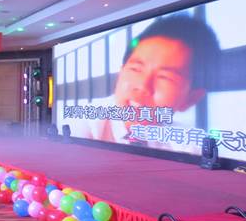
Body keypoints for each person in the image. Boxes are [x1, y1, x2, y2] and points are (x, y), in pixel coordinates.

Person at [72, 14, 220, 152]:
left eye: (165, 77)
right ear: (121, 72)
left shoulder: (191, 147)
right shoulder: (81, 127)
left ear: (191, 99)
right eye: (136, 69)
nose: (143, 86)